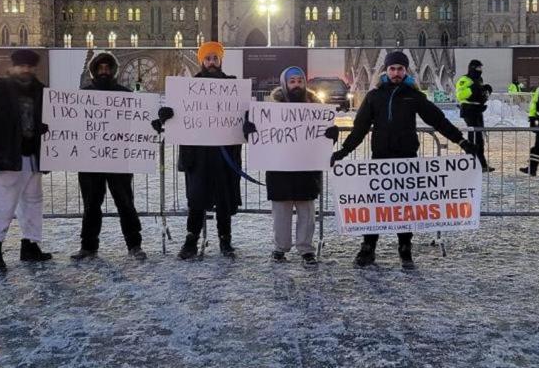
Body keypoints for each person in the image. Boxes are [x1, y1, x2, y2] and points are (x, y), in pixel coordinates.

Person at [331, 51, 477, 268]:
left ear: (405, 71)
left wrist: (461, 141)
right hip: (381, 159)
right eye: (392, 69)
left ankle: (405, 246)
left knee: (404, 206)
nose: (396, 73)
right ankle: (368, 246)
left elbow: (438, 120)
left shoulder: (413, 96)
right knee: (376, 205)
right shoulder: (374, 96)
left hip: (406, 160)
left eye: (400, 69)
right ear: (386, 71)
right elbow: (360, 128)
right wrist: (343, 151)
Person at [154, 41, 243, 260]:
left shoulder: (232, 86)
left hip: (224, 154)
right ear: (201, 61)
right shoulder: (189, 88)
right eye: (208, 58)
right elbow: (177, 114)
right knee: (196, 198)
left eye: (215, 58)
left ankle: (225, 239)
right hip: (197, 154)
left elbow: (243, 113)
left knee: (224, 199)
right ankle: (191, 240)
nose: (212, 62)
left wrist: (248, 124)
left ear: (221, 60)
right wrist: (165, 116)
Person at [243, 67, 339, 266]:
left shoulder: (317, 108)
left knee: (306, 211)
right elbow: (260, 136)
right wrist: (249, 130)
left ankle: (306, 249)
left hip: (307, 169)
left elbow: (322, 140)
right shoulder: (271, 109)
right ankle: (280, 248)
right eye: (292, 81)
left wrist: (332, 135)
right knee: (281, 212)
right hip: (280, 170)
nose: (296, 84)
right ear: (285, 84)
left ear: (304, 83)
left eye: (299, 80)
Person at [0, 49, 53, 271]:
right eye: (21, 65)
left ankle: (30, 245)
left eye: (29, 66)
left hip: (33, 157)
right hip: (7, 157)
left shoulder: (42, 91)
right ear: (13, 66)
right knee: (2, 205)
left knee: (33, 203)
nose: (25, 70)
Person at [72, 52, 147, 261]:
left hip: (118, 159)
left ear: (112, 71)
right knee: (91, 205)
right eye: (100, 68)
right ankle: (88, 246)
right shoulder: (83, 95)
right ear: (94, 71)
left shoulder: (125, 94)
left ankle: (134, 245)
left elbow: (138, 123)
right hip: (90, 160)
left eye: (107, 68)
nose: (104, 71)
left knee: (125, 203)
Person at [455, 59, 495, 172]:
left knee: (479, 139)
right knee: (473, 138)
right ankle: (471, 163)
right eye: (478, 68)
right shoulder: (464, 79)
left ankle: (482, 164)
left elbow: (480, 94)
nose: (480, 70)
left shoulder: (479, 80)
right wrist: (471, 90)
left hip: (478, 110)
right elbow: (460, 95)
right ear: (472, 68)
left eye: (481, 68)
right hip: (469, 110)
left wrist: (486, 91)